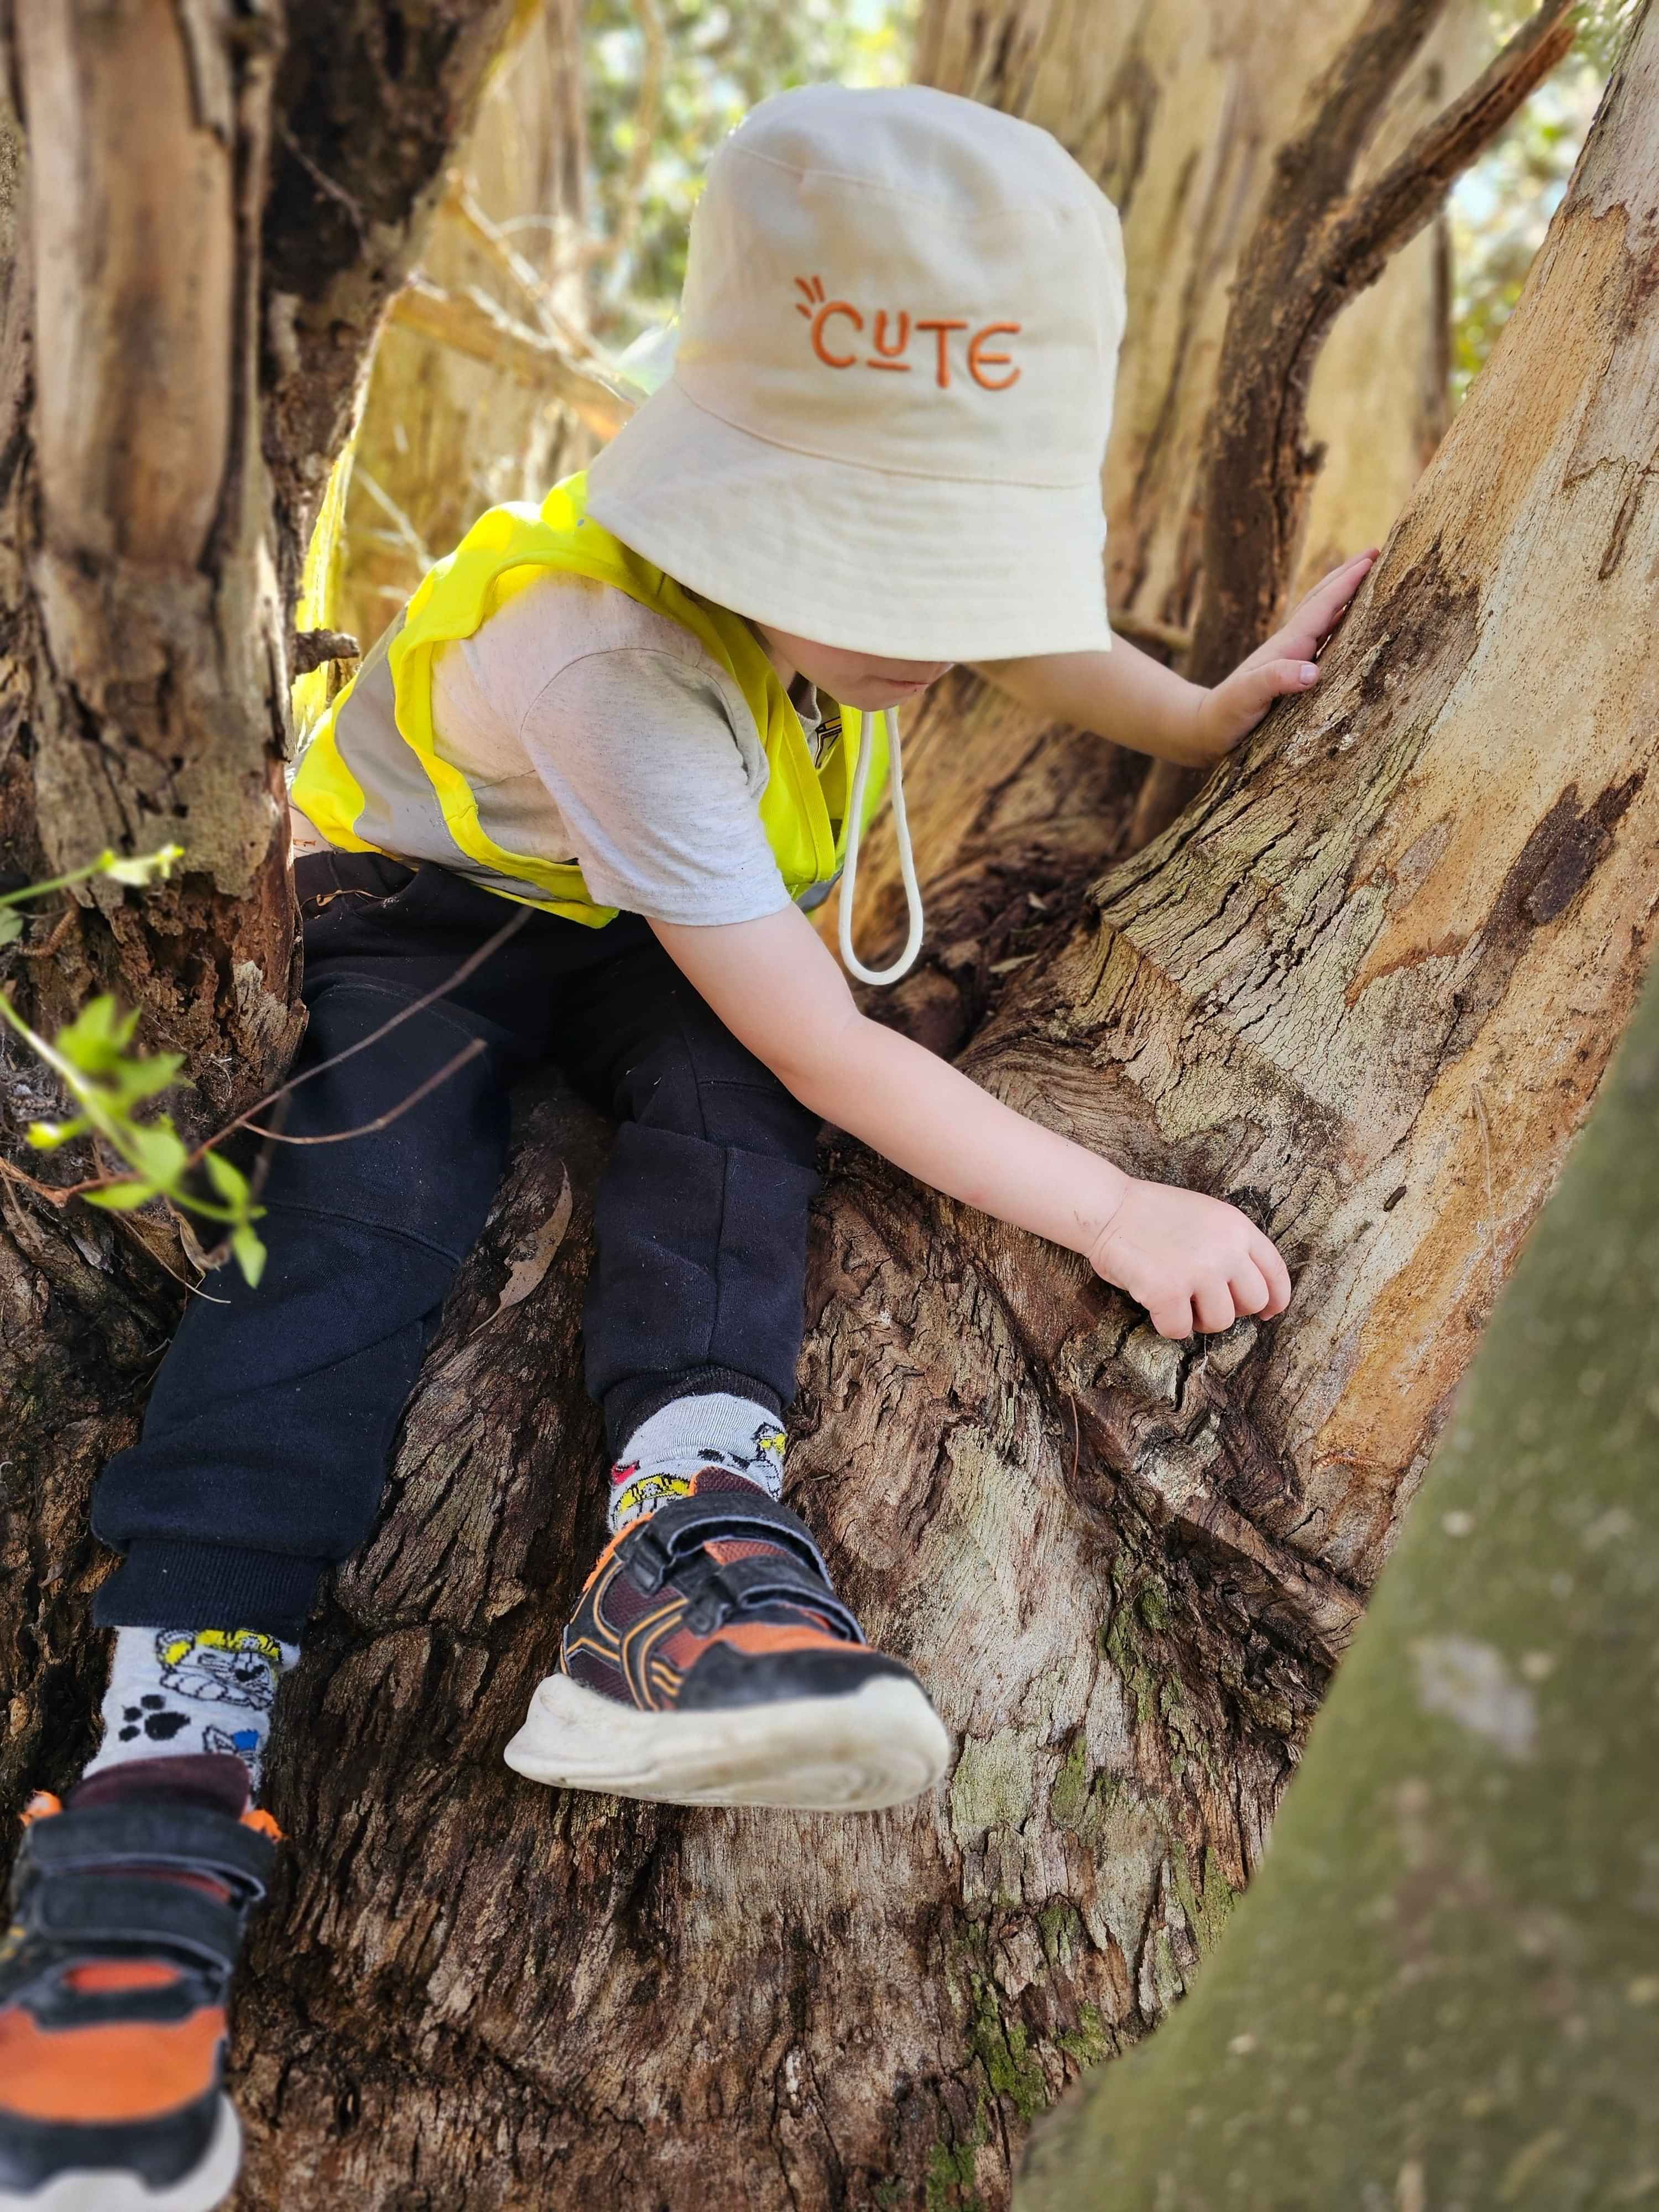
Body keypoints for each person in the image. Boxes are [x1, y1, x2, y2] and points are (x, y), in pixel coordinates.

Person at [0, 83, 1374, 2212]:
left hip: (655, 917)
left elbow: (1024, 637)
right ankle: (175, 1730)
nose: (944, 643)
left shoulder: (864, 610)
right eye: (894, 582)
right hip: (438, 909)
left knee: (715, 1112)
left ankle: (689, 1527)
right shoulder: (612, 659)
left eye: (956, 575)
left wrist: (1207, 715)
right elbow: (830, 1049)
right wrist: (1106, 1203)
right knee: (368, 1200)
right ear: (747, 518)